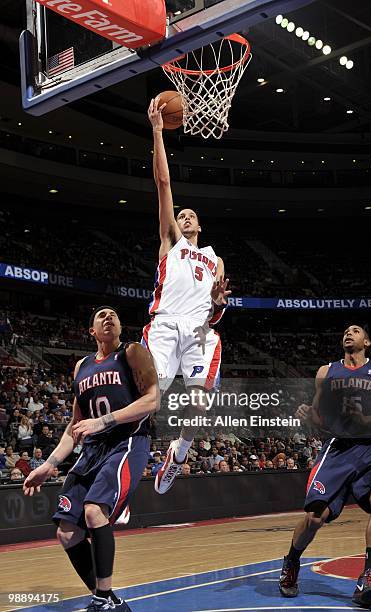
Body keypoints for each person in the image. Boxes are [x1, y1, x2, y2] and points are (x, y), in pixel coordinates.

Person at [23, 306, 159, 612]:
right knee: (66, 532)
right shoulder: (81, 367)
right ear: (92, 332)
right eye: (101, 315)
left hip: (126, 442)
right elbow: (75, 427)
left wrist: (105, 421)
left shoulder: (132, 352)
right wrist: (49, 464)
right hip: (93, 449)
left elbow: (153, 399)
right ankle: (109, 601)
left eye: (113, 315)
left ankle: (101, 599)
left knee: (95, 511)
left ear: (121, 327)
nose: (108, 317)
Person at [279, 324, 371, 607]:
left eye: (356, 330)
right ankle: (292, 562)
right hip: (338, 449)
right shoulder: (326, 372)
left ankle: (369, 577)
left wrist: (366, 422)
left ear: (367, 341)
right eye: (346, 331)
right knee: (315, 518)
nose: (349, 333)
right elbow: (321, 420)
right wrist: (310, 416)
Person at [145, 97, 231, 494]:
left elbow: (215, 317)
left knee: (199, 406)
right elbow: (164, 183)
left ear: (200, 224)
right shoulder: (171, 243)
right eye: (180, 215)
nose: (185, 216)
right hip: (165, 326)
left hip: (199, 333)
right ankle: (121, 467)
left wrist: (217, 304)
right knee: (148, 401)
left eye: (190, 215)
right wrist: (159, 132)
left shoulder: (216, 260)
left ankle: (178, 455)